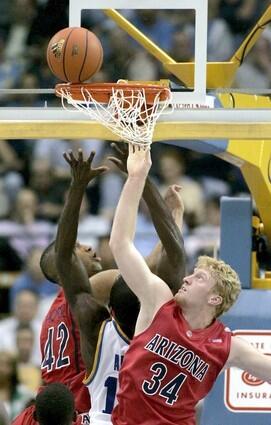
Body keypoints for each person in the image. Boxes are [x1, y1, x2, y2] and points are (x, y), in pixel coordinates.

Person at [13, 145, 185, 425]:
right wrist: (146, 185)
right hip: (79, 402)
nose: (90, 248)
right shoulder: (106, 293)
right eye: (80, 247)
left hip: (55, 405)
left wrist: (78, 187)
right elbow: (150, 269)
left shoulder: (52, 314)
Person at [109, 144, 271, 425]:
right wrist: (136, 177)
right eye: (193, 273)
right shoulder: (158, 300)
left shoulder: (227, 346)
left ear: (215, 299)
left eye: (199, 278)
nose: (186, 278)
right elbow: (120, 245)